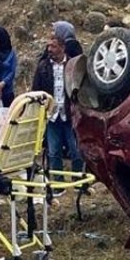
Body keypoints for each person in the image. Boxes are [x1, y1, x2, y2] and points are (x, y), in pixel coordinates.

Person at [32, 35, 84, 176]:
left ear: (62, 47)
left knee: (76, 150)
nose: (49, 49)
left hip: (70, 116)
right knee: (53, 151)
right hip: (52, 116)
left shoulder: (73, 66)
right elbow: (36, 91)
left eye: (53, 46)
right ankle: (57, 184)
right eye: (48, 46)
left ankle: (79, 182)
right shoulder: (43, 67)